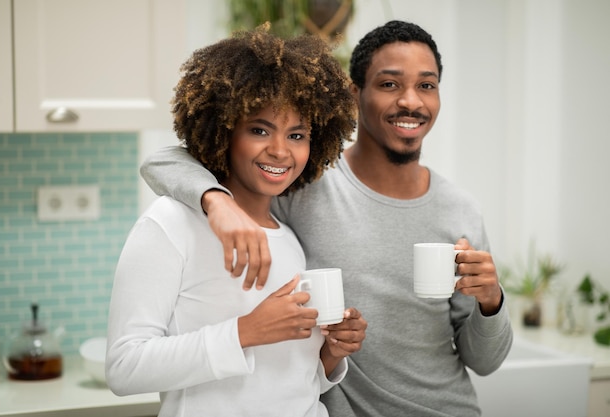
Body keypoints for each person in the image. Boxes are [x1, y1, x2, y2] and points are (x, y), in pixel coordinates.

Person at [140, 20, 513, 417]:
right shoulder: (304, 185)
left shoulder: (461, 210)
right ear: (355, 95)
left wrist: (491, 302)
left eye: (427, 85)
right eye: (389, 84)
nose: (411, 101)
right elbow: (161, 161)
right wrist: (218, 200)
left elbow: (484, 362)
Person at [106, 24, 366, 417]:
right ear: (224, 131)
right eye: (260, 130)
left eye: (297, 135)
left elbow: (287, 381)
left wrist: (329, 353)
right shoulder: (171, 224)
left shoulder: (289, 237)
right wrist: (246, 331)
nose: (280, 151)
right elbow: (124, 368)